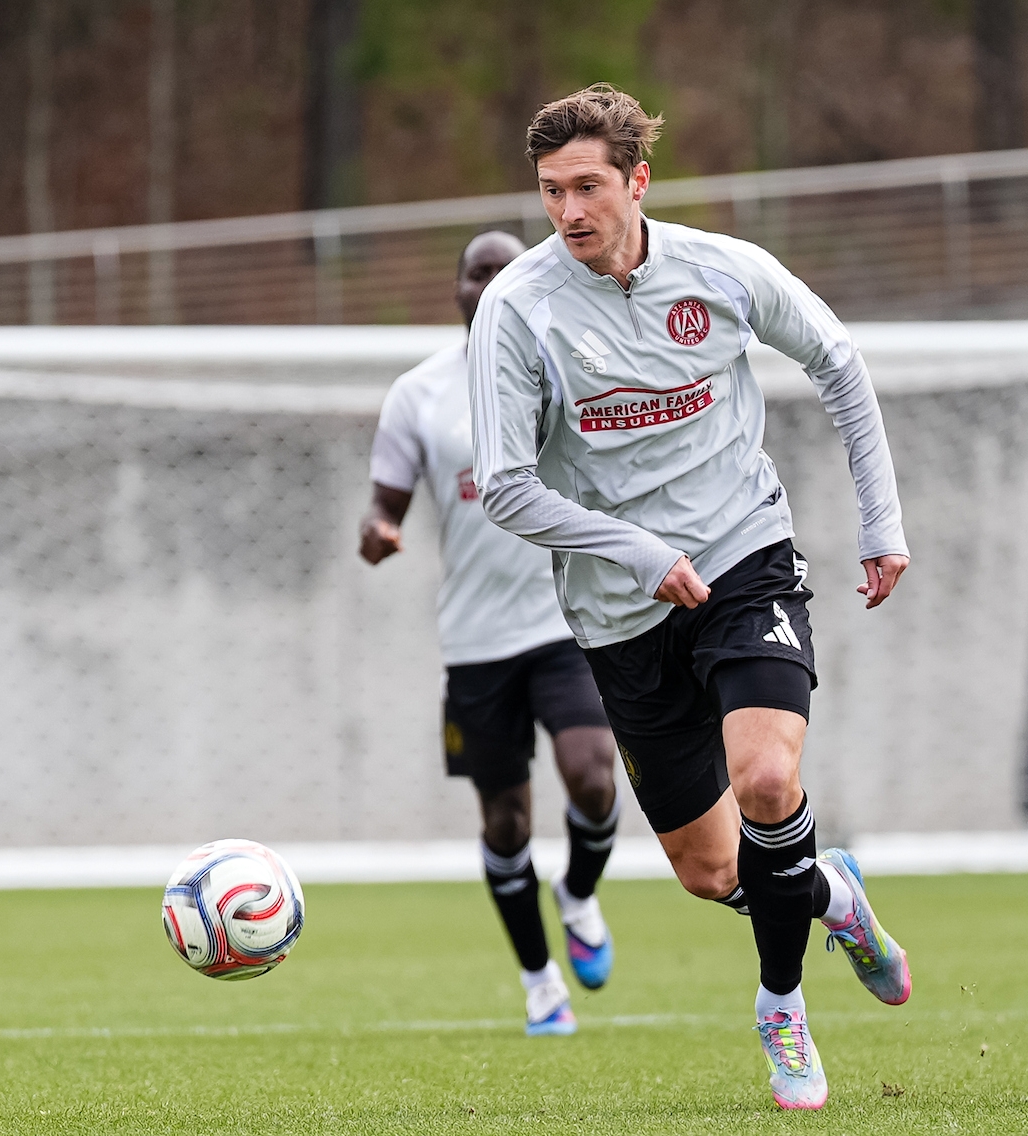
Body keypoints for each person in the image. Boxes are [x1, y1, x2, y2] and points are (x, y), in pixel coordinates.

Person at [468, 84, 911, 1110]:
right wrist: (634, 551)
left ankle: (781, 1006)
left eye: (588, 186)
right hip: (622, 609)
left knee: (767, 779)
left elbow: (838, 360)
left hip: (743, 556)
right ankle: (831, 893)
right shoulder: (518, 309)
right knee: (714, 870)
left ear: (638, 180)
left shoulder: (720, 270)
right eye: (551, 191)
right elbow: (503, 484)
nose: (569, 211)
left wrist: (882, 524)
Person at [359, 230, 622, 1037]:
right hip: (476, 642)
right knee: (506, 821)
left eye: (507, 270)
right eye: (479, 273)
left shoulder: (567, 369)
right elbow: (384, 507)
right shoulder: (419, 394)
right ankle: (540, 983)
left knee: (595, 777)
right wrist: (377, 533)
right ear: (458, 291)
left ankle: (578, 893)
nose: (492, 283)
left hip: (563, 621)